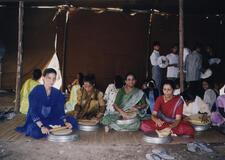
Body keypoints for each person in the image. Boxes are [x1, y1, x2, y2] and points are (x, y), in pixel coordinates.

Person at [16, 68, 78, 139]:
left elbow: (60, 110)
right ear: (43, 78)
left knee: (73, 122)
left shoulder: (57, 93)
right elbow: (33, 111)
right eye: (49, 78)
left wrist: (65, 122)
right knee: (35, 132)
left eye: (54, 79)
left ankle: (50, 128)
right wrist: (42, 126)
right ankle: (48, 128)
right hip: (38, 121)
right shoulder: (36, 91)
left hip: (51, 119)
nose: (52, 81)